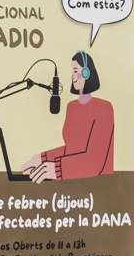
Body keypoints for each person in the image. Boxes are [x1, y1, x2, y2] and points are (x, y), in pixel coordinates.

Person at [22, 51, 116, 180]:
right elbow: (72, 150)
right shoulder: (72, 107)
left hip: (98, 183)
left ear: (86, 72)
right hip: (76, 181)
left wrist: (56, 169)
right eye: (72, 72)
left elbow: (94, 161)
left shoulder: (104, 108)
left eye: (76, 71)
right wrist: (40, 158)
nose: (73, 76)